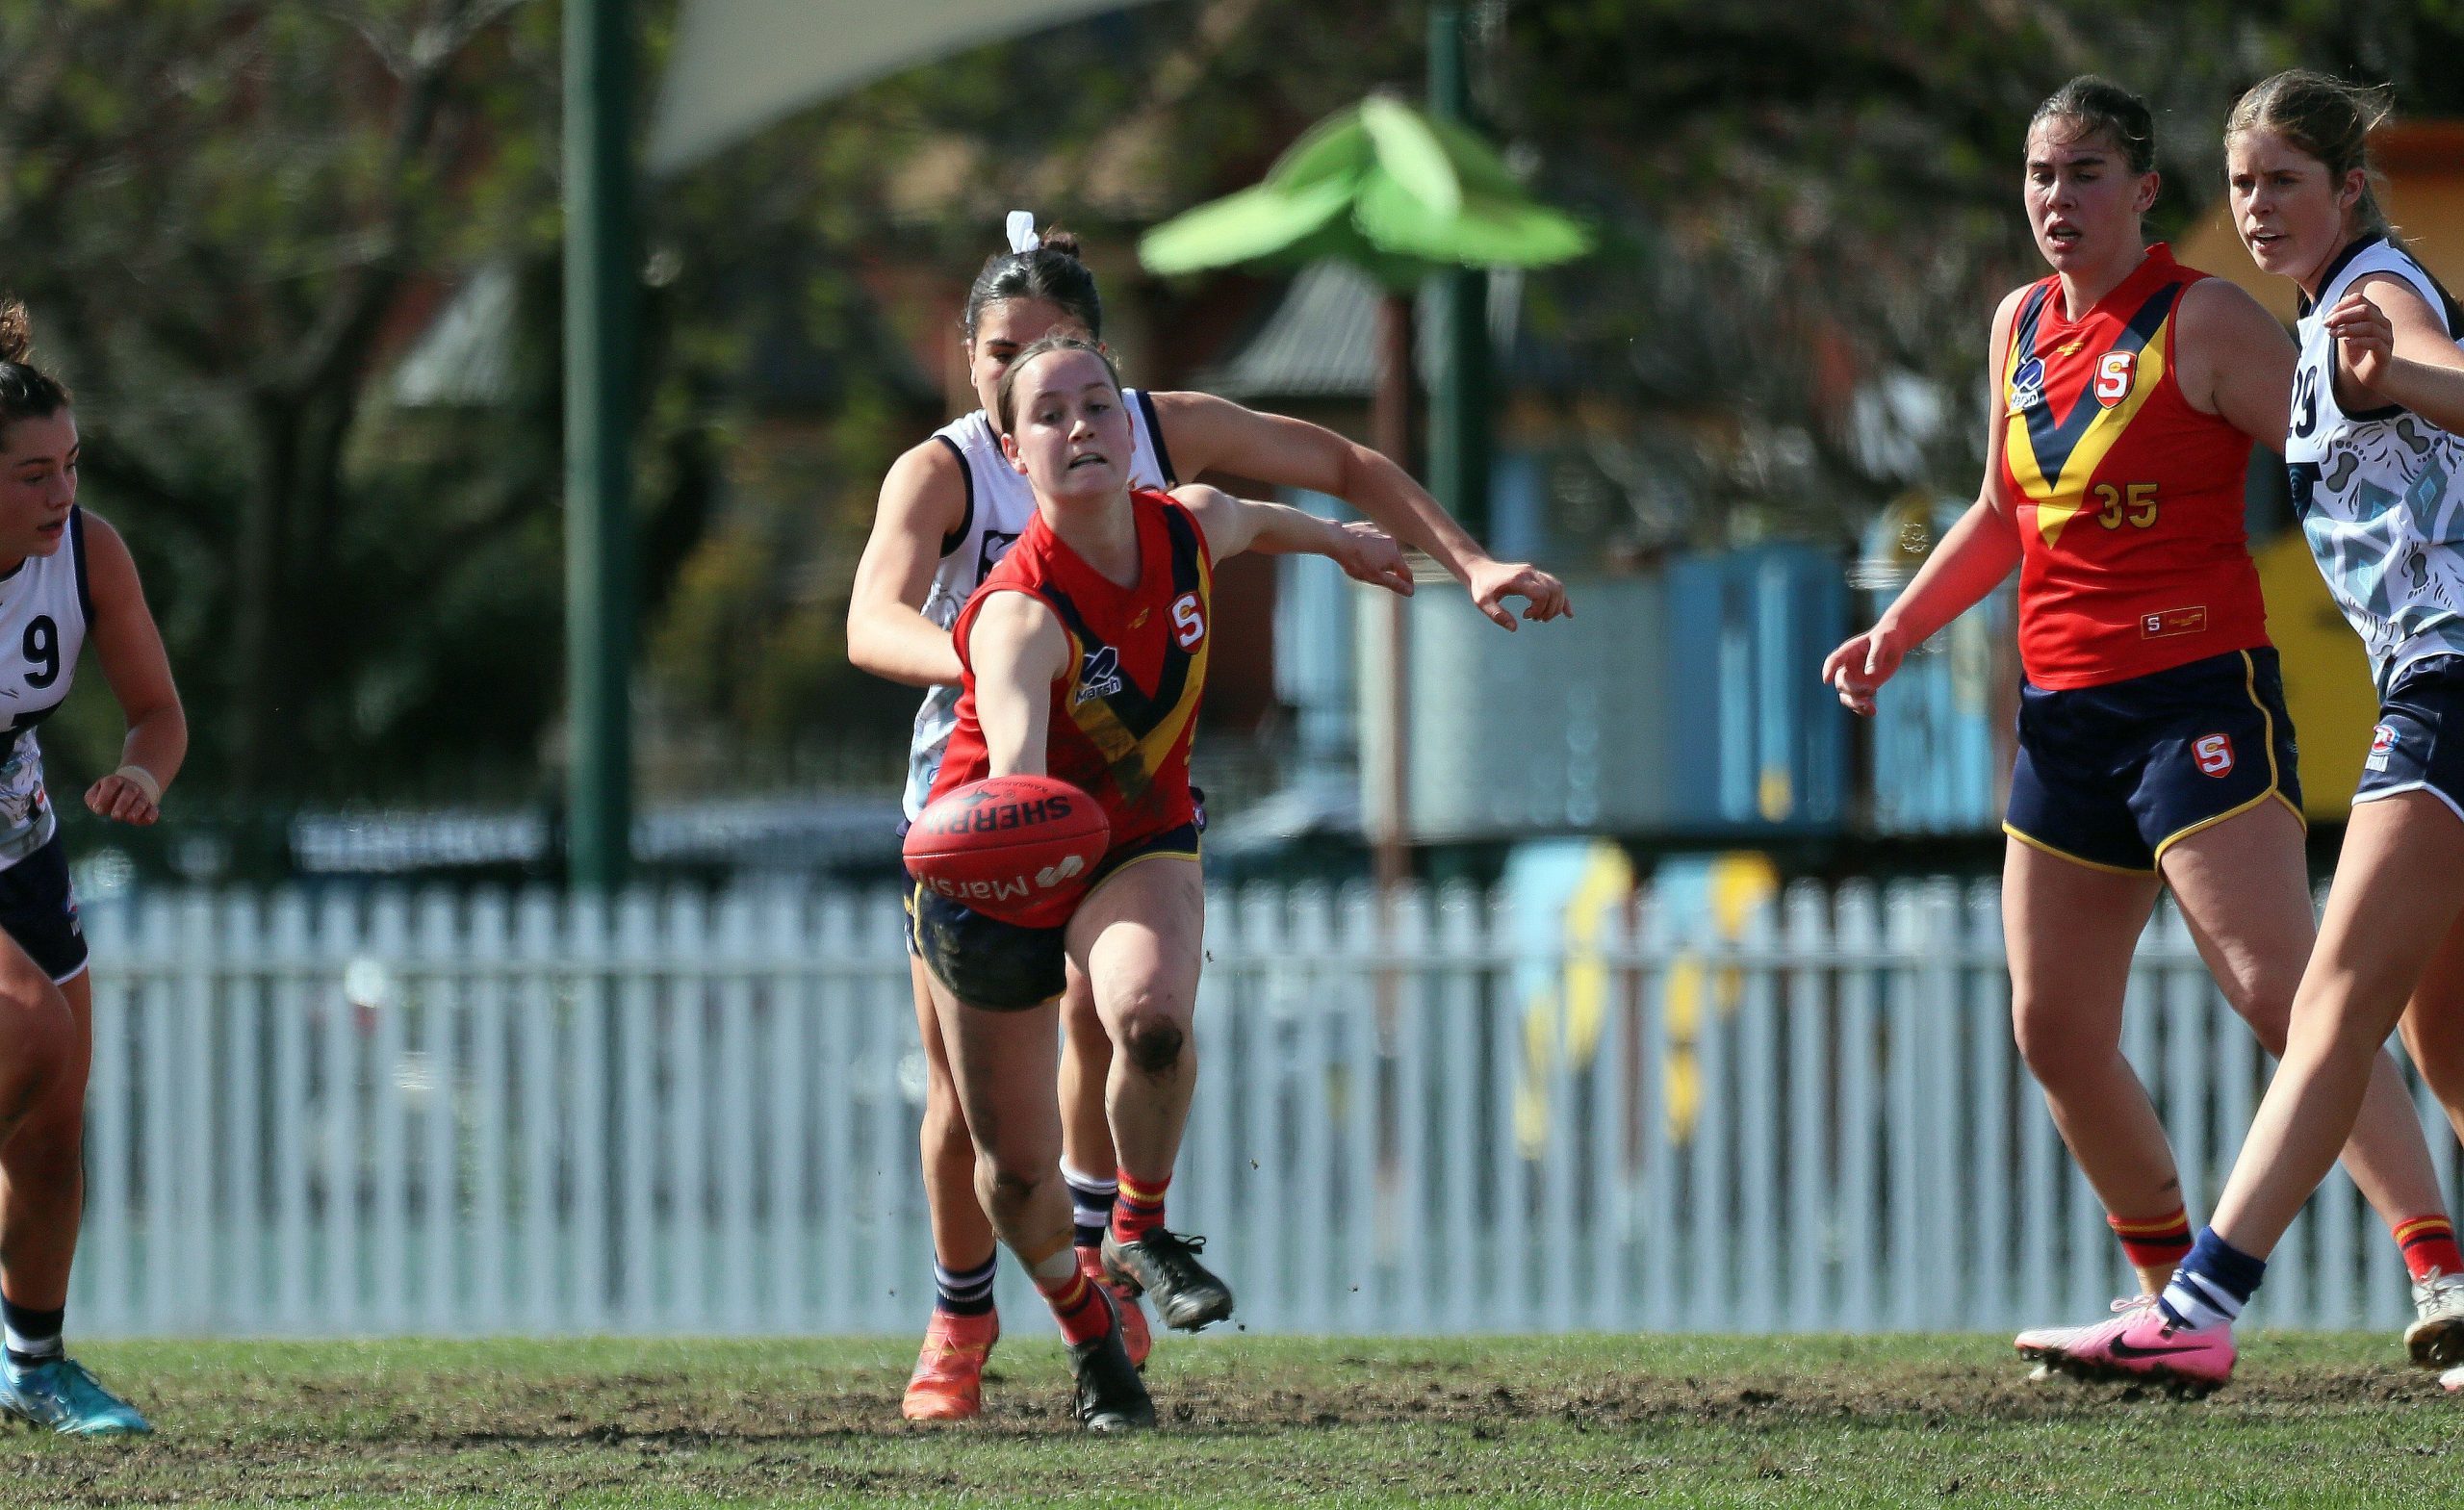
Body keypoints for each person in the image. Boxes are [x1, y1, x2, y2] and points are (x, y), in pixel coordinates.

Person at [846, 216, 1571, 1420]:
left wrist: (1467, 560)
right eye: (1003, 354)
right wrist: (998, 659)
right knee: (971, 1113)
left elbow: (1330, 472)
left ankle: (1120, 1255)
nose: (1042, 385)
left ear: (1104, 364)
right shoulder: (948, 472)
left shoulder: (1161, 457)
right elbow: (871, 622)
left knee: (1130, 1020)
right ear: (970, 366)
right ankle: (961, 1320)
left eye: (1066, 354)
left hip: (1119, 801)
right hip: (983, 793)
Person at [1821, 76, 2464, 1377]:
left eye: (2086, 174)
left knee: (2308, 1001)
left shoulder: (2263, 315)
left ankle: (2371, 1274)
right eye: (2040, 174)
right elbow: (2006, 512)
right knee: (2061, 1026)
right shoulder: (2017, 329)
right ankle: (2174, 1298)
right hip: (2066, 716)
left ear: (2140, 190)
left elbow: (2396, 397)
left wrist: (2391, 368)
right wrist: (1903, 627)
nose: (2058, 200)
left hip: (2210, 702)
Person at [2028, 71, 2464, 1392]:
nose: (2258, 207)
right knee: (2446, 1040)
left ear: (2346, 187)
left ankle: (2200, 1301)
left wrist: (2411, 373)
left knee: (2330, 1003)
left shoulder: (2374, 298)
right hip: (2427, 678)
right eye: (2242, 184)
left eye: (2284, 181)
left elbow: (2440, 373)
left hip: (2453, 681)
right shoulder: (2325, 315)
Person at [911, 332, 1410, 1428]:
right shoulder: (1016, 618)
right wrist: (1027, 867)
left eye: (1100, 405)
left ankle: (1138, 1229)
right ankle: (1090, 1336)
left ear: (1129, 430)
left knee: (1149, 1026)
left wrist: (1344, 545)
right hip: (999, 869)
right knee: (1017, 1173)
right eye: (1051, 415)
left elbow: (1263, 518)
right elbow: (1021, 793)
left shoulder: (1188, 524)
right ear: (1013, 452)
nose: (1082, 426)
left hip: (1131, 835)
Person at [0, 302, 186, 1435]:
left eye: (69, 466)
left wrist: (143, 776)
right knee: (29, 1028)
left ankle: (32, 1367)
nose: (61, 495)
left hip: (15, 823)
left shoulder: (88, 551)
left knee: (57, 1115)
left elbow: (157, 711)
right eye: (30, 476)